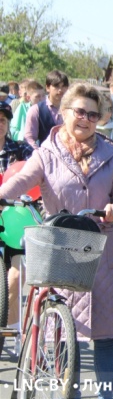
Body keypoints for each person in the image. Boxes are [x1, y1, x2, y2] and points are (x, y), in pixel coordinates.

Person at [0, 83, 113, 399]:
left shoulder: (111, 155)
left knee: (105, 333)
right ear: (65, 112)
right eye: (79, 111)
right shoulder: (47, 153)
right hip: (60, 246)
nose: (85, 119)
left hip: (102, 246)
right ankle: (67, 393)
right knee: (59, 329)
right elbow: (22, 180)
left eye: (92, 114)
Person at [0, 101, 34, 356]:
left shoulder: (21, 150)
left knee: (15, 276)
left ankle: (11, 331)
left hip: (15, 219)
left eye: (3, 119)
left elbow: (34, 174)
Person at [23, 69, 69, 148]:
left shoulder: (73, 109)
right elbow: (29, 138)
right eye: (56, 86)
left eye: (63, 86)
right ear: (47, 87)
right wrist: (39, 154)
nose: (60, 90)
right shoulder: (36, 110)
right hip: (45, 156)